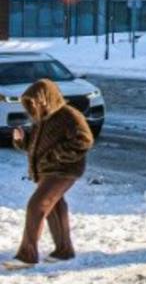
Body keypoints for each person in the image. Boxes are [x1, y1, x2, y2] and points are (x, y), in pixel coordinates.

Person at [4, 78, 95, 270]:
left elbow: (84, 140)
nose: (35, 106)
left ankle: (27, 256)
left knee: (36, 205)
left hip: (64, 170)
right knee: (55, 208)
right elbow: (35, 147)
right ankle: (64, 251)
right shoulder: (41, 119)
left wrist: (56, 156)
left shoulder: (69, 115)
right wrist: (21, 141)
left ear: (49, 97)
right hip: (47, 171)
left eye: (37, 101)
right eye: (31, 103)